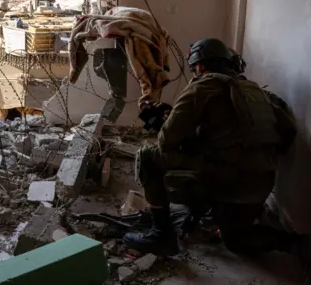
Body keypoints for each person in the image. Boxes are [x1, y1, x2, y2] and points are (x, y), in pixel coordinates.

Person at [123, 38, 297, 255]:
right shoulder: (256, 90)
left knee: (149, 155)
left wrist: (166, 122)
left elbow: (167, 142)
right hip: (261, 181)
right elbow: (288, 132)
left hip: (227, 175)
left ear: (200, 66)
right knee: (237, 241)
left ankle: (160, 234)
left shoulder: (203, 85)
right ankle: (298, 244)